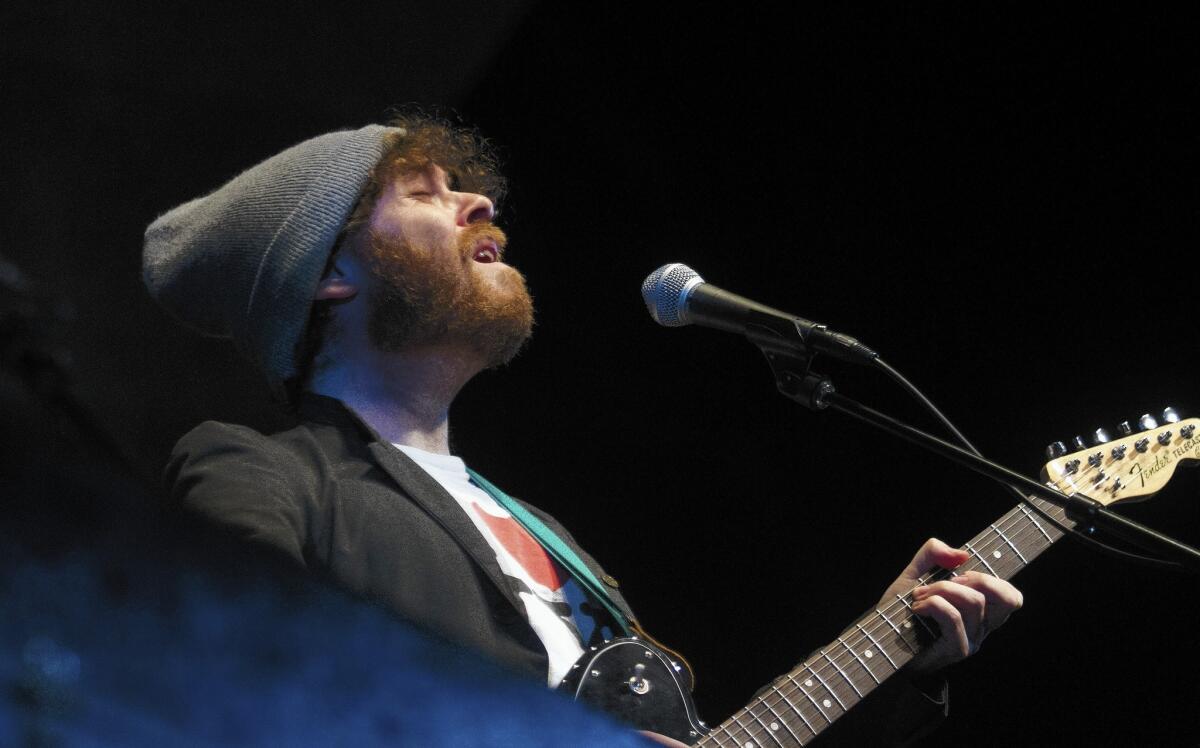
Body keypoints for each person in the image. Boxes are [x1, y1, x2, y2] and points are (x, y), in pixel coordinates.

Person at [143, 114, 1023, 745]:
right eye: (426, 192)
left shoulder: (548, 538)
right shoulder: (261, 472)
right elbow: (236, 691)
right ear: (331, 269)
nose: (480, 200)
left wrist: (899, 653)